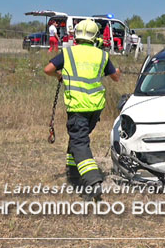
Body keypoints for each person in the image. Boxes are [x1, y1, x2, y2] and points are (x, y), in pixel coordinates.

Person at [44, 19, 121, 199]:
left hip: (78, 106)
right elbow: (115, 77)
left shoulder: (68, 53)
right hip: (95, 108)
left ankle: (92, 180)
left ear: (76, 35)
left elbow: (47, 69)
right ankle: (73, 171)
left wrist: (59, 75)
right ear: (95, 36)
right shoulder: (102, 55)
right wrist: (118, 71)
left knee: (80, 142)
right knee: (77, 138)